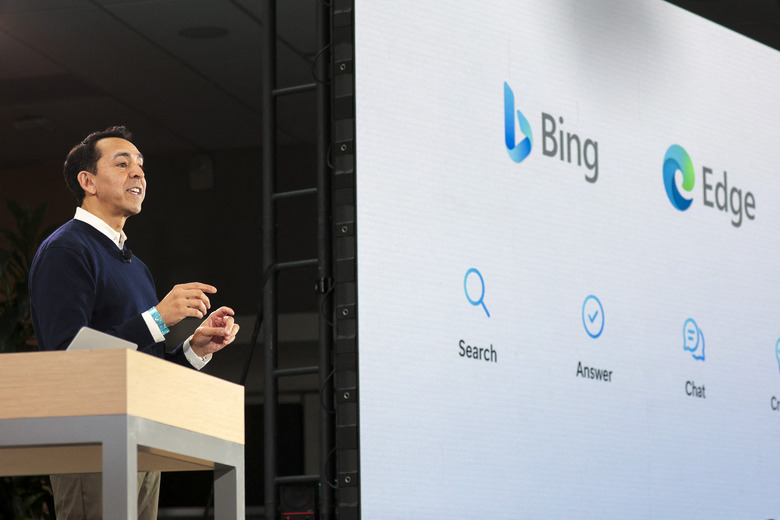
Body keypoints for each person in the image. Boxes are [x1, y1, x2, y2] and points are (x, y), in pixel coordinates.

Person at [28, 126, 240, 520]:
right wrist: (158, 318)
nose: (138, 174)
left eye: (141, 166)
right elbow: (67, 357)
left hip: (140, 438)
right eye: (122, 164)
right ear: (87, 181)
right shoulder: (66, 249)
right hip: (90, 438)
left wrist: (193, 349)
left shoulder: (136, 267)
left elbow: (143, 367)